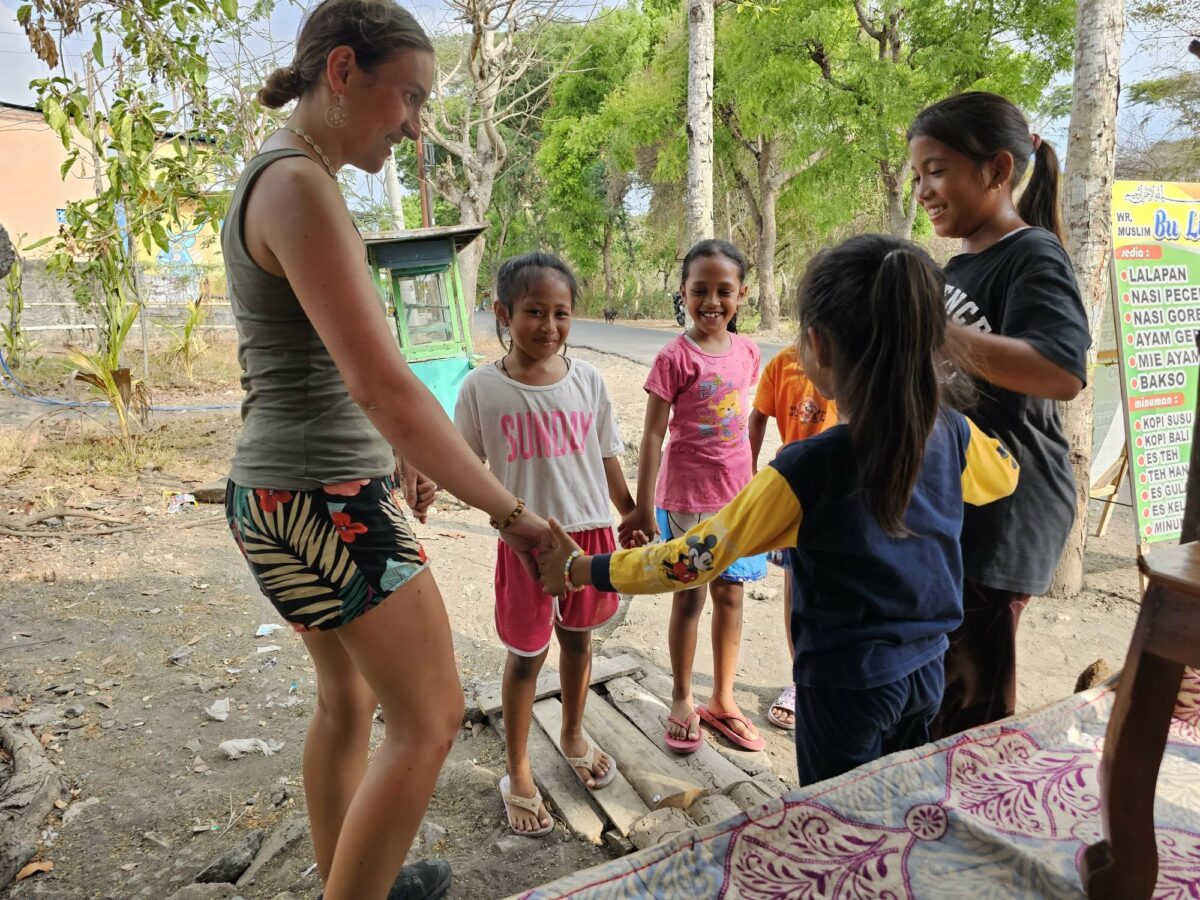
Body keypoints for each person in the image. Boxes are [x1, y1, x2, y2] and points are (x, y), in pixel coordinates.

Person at [221, 2, 551, 897]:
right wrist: (512, 513)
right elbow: (385, 388)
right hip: (324, 497)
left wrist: (384, 445)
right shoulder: (299, 186)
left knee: (349, 700)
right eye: (407, 97)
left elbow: (341, 362)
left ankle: (353, 878)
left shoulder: (281, 176)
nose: (414, 124)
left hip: (277, 494)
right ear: (341, 72)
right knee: (432, 714)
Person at [543, 234, 1020, 785]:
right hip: (927, 669)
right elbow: (1005, 475)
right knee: (898, 798)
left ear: (817, 346)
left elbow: (688, 561)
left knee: (836, 817)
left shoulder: (805, 471)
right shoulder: (952, 434)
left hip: (847, 688)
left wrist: (583, 568)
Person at [907, 92, 1090, 738]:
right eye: (917, 175)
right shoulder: (962, 265)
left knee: (971, 696)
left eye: (936, 170)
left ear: (997, 170)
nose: (924, 189)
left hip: (1012, 512)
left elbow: (1062, 369)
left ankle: (969, 820)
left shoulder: (1032, 254)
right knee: (943, 678)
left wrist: (940, 332)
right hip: (966, 505)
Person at [454, 253, 640, 835]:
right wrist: (502, 519)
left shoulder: (588, 380)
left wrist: (629, 507)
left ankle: (573, 734)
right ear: (503, 313)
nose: (549, 326)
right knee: (527, 655)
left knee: (579, 643)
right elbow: (466, 468)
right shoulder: (482, 388)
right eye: (535, 311)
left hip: (587, 537)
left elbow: (606, 452)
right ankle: (516, 769)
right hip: (524, 545)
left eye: (561, 313)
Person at [619, 240, 767, 754]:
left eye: (723, 291)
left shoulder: (748, 352)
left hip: (736, 500)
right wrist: (641, 504)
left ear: (741, 295)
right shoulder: (674, 358)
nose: (711, 300)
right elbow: (655, 435)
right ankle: (682, 698)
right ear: (682, 292)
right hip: (685, 500)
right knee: (690, 596)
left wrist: (751, 478)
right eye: (699, 290)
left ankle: (723, 700)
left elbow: (746, 419)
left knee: (731, 595)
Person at [748, 347, 836, 730]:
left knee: (837, 590)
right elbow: (757, 418)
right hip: (795, 492)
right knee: (795, 589)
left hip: (842, 493)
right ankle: (802, 678)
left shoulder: (858, 356)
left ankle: (833, 678)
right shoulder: (782, 364)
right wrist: (748, 476)